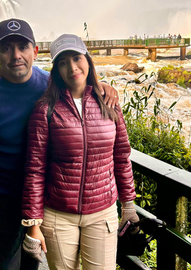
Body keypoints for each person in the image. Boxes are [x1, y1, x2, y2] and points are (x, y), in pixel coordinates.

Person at [0, 19, 118, 270]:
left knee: (32, 263)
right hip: (2, 199)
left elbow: (80, 85)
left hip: (45, 198)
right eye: (6, 48)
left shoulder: (50, 85)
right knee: (6, 264)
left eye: (23, 47)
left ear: (35, 51)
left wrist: (102, 87)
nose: (16, 55)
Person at [21, 34, 139, 269]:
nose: (72, 67)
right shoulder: (45, 110)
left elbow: (122, 157)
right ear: (56, 70)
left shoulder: (109, 103)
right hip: (58, 215)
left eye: (76, 58)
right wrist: (33, 224)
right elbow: (35, 169)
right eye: (63, 62)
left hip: (102, 213)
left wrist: (128, 205)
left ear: (88, 60)